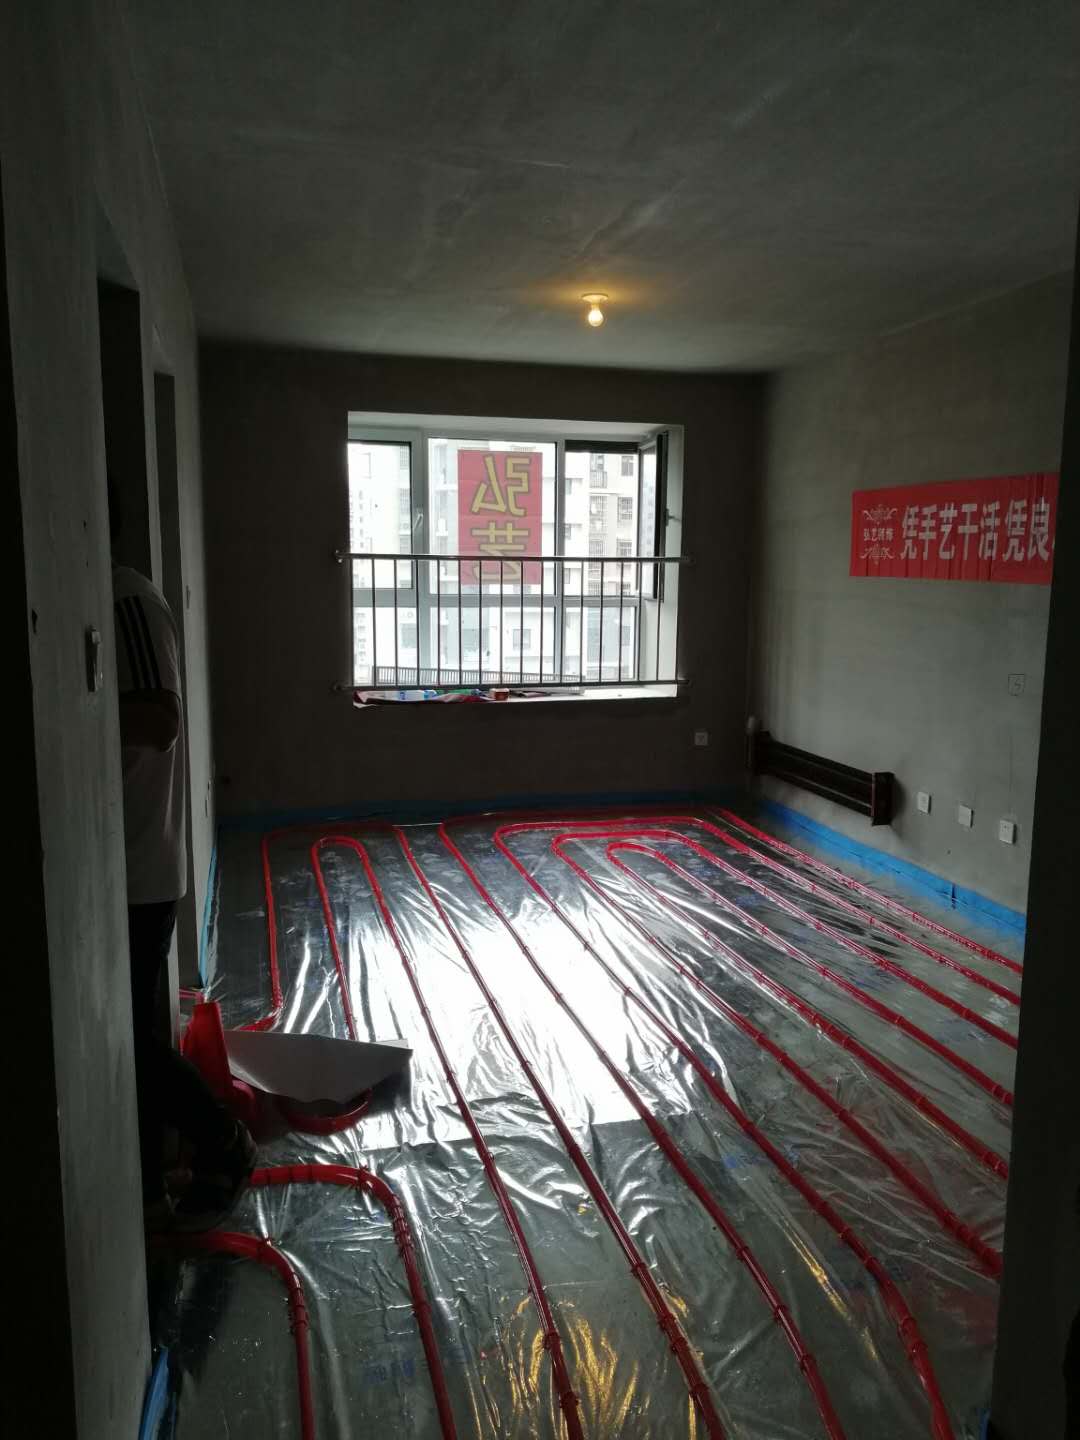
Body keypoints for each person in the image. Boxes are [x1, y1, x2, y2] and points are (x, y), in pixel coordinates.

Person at [113, 517, 255, 1228]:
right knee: (133, 1038)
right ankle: (166, 1169)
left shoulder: (126, 597)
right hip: (132, 863)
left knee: (135, 1046)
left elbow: (159, 716)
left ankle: (222, 1141)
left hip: (138, 864)